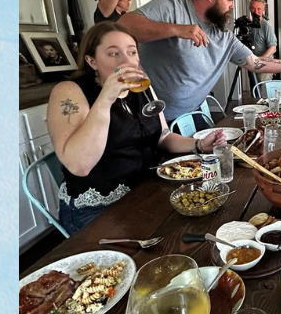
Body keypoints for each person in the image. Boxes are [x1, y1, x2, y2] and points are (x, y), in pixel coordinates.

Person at [46, 21, 225, 233]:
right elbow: (80, 165)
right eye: (114, 54)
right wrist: (106, 98)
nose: (127, 61)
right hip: (97, 210)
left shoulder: (142, 88)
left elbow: (163, 137)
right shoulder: (69, 92)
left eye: (132, 52)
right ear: (92, 60)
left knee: (206, 221)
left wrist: (198, 144)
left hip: (146, 193)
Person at [118, 0, 281, 122]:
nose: (232, 6)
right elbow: (123, 26)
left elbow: (256, 63)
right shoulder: (171, 7)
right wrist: (177, 30)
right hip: (148, 114)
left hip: (190, 115)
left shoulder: (223, 36)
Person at [234, 0, 278, 86]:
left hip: (265, 64)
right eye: (253, 8)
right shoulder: (248, 25)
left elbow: (273, 48)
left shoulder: (266, 26)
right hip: (252, 64)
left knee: (264, 94)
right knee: (254, 91)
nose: (256, 11)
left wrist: (259, 60)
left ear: (263, 10)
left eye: (259, 9)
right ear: (250, 9)